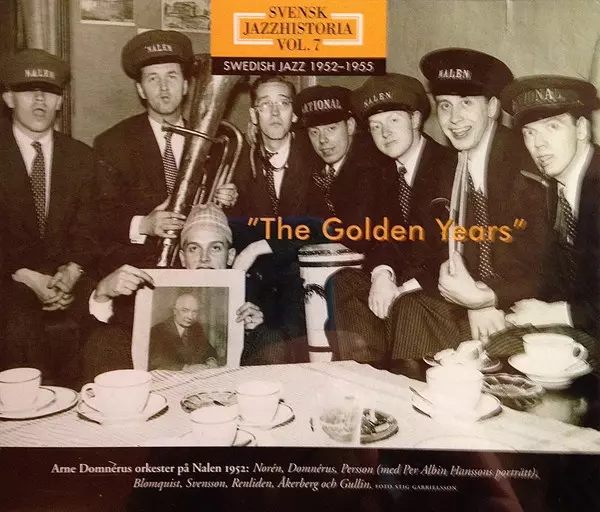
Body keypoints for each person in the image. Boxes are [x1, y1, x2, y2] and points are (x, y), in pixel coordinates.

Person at [384, 48, 537, 360]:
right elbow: (432, 247)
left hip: (521, 302)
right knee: (411, 308)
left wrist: (487, 299)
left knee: (495, 347)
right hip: (474, 297)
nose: (454, 119)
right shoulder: (447, 167)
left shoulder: (524, 160)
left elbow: (541, 262)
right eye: (445, 105)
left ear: (492, 107)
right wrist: (469, 298)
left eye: (466, 103)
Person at [325, 74, 457, 362]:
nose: (385, 133)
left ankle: (402, 378)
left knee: (409, 306)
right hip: (403, 283)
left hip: (437, 289)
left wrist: (403, 289)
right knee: (344, 282)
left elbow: (453, 250)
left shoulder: (450, 166)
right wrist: (382, 273)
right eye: (375, 126)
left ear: (415, 119)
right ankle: (364, 373)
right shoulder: (382, 172)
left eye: (393, 121)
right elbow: (380, 235)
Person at [83, 203, 287, 378]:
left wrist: (254, 331)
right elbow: (110, 339)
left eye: (215, 248)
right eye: (194, 248)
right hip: (158, 389)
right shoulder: (150, 291)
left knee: (269, 338)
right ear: (182, 258)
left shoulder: (240, 298)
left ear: (231, 256)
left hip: (219, 391)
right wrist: (102, 294)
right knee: (105, 338)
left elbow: (213, 353)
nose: (204, 258)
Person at [94, 30, 236, 274]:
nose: (163, 87)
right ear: (140, 89)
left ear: (185, 85)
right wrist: (143, 225)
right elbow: (98, 217)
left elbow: (225, 224)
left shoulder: (214, 142)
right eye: (153, 79)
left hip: (201, 270)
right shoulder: (112, 143)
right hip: (137, 271)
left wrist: (226, 202)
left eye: (171, 76)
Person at [485, 76, 600, 368]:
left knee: (506, 356)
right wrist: (495, 301)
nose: (539, 144)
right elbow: (547, 272)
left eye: (553, 127)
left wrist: (555, 314)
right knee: (492, 350)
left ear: (582, 129)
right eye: (529, 133)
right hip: (583, 324)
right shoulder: (553, 189)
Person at [0, 49, 99, 384]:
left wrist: (72, 271)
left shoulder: (82, 157)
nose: (40, 100)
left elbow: (89, 228)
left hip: (68, 280)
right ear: (9, 98)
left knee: (105, 317)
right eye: (29, 91)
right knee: (18, 324)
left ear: (60, 101)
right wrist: (27, 276)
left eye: (49, 92)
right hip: (8, 280)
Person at [149, 293, 218, 370]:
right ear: (175, 311)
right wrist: (185, 367)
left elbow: (208, 349)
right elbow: (155, 360)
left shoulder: (196, 327)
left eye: (194, 312)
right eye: (185, 310)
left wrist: (211, 360)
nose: (190, 316)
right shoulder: (158, 330)